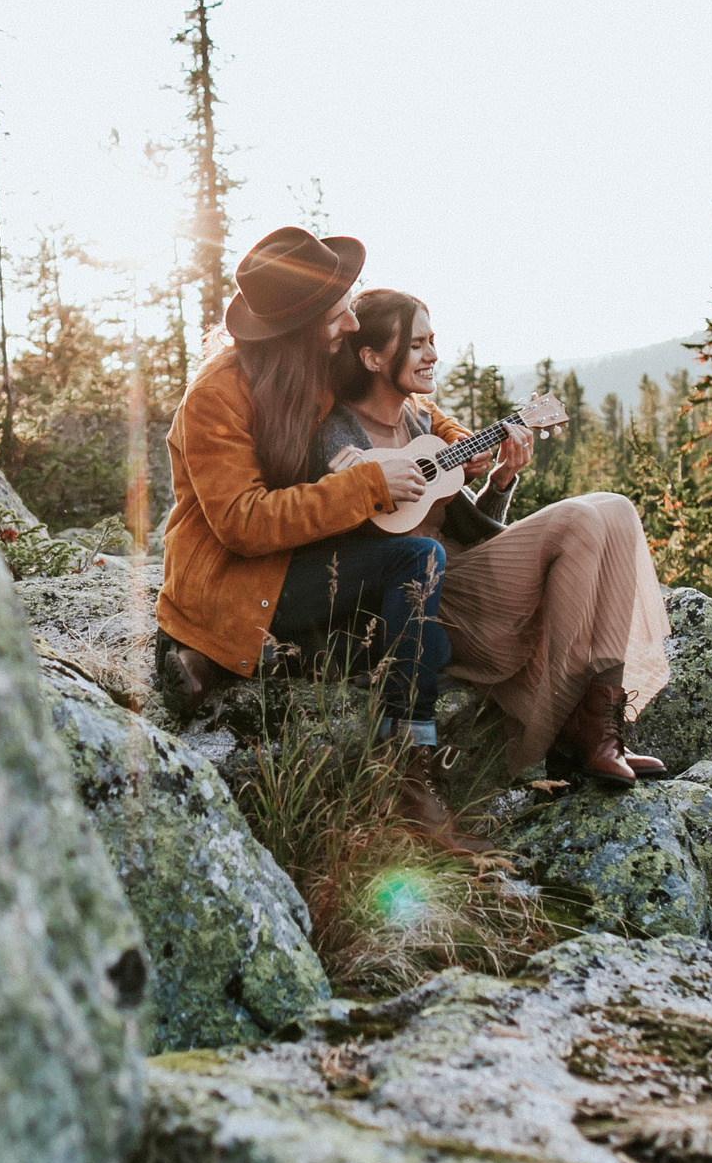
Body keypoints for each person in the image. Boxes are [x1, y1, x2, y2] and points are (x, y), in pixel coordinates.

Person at [158, 228, 475, 848]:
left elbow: (408, 406)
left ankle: (400, 752)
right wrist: (367, 486)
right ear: (300, 328)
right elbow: (244, 524)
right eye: (338, 314)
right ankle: (407, 769)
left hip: (303, 558)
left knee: (413, 583)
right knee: (415, 571)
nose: (352, 322)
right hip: (237, 576)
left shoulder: (318, 363)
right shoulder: (215, 398)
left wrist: (461, 440)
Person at [322, 289, 671, 785]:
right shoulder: (339, 434)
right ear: (373, 357)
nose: (433, 355)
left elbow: (469, 527)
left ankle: (602, 723)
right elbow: (344, 538)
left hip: (467, 574)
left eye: (432, 341)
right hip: (426, 599)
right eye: (417, 344)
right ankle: (569, 717)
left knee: (615, 508)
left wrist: (500, 480)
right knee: (579, 520)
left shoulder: (421, 422)